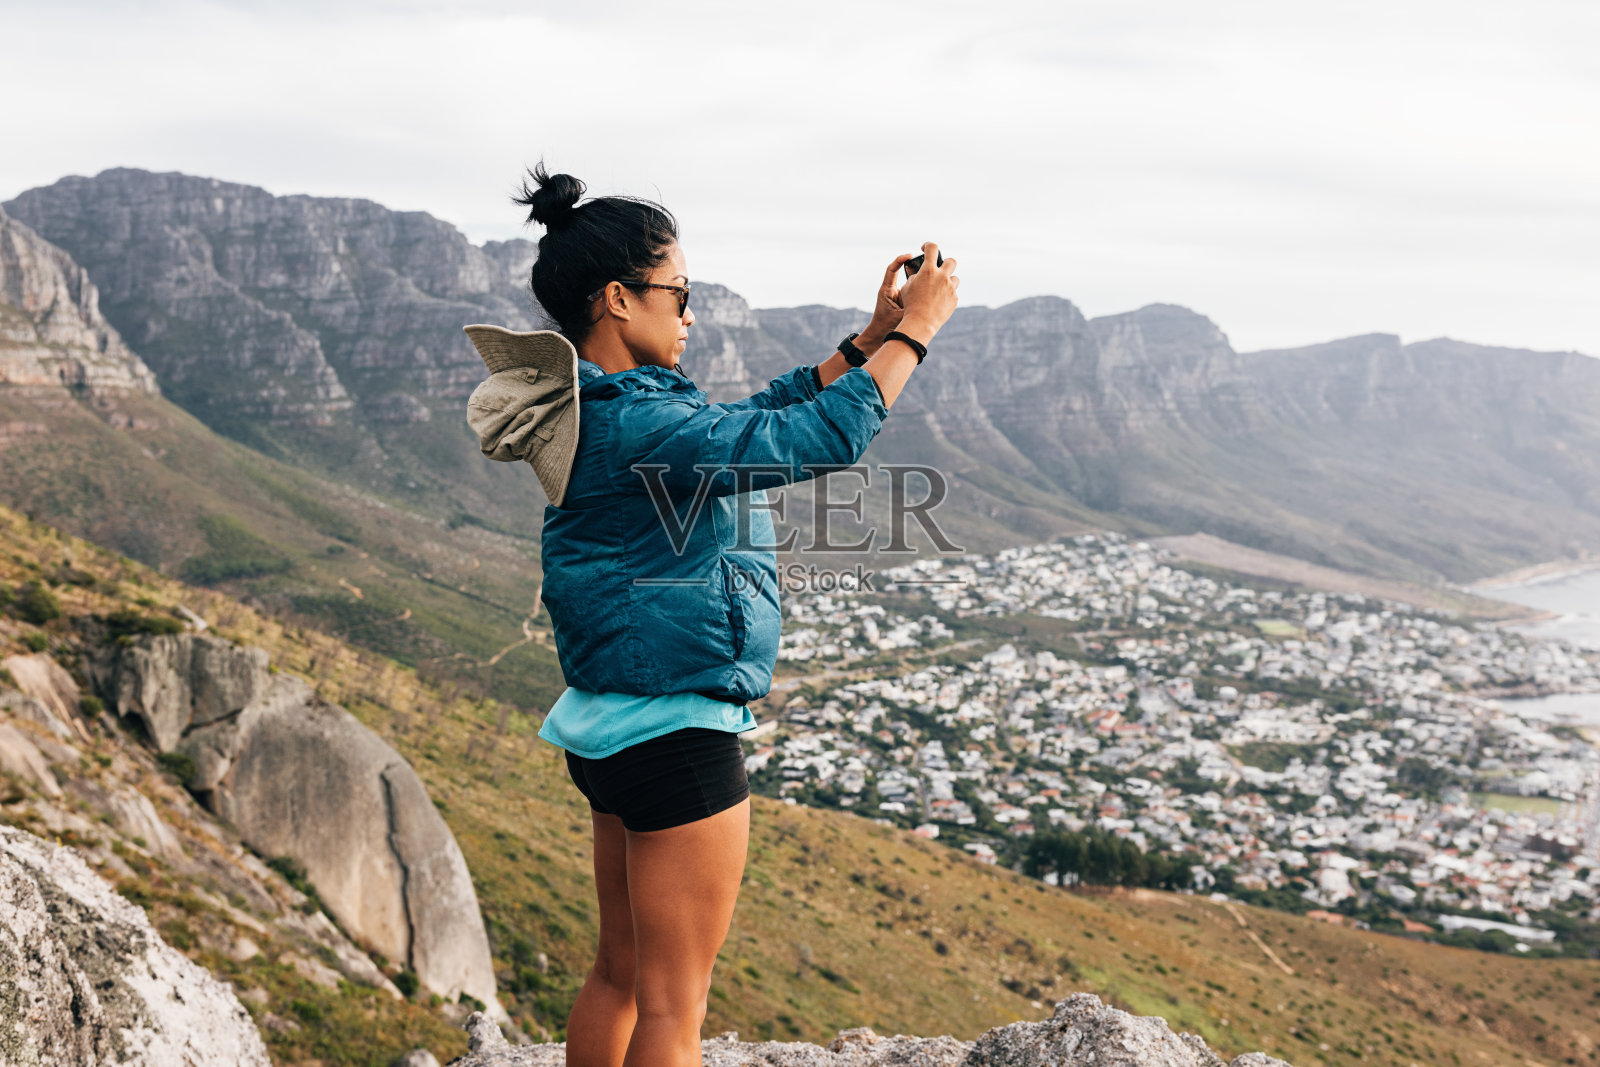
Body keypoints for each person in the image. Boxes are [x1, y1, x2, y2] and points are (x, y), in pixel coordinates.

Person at [463, 162, 959, 1066]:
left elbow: (755, 414)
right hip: (680, 737)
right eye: (678, 292)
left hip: (609, 728)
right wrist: (917, 333)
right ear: (618, 297)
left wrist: (864, 341)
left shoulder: (609, 410)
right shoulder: (643, 426)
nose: (690, 312)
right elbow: (814, 439)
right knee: (673, 1010)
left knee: (618, 975)